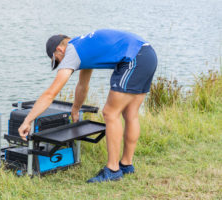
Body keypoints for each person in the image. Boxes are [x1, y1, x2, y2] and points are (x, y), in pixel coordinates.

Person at [18, 29, 157, 183]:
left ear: (60, 49)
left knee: (110, 113)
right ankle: (126, 164)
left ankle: (113, 170)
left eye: (57, 60)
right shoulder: (83, 46)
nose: (60, 64)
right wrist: (75, 109)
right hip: (147, 54)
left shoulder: (71, 53)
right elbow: (83, 85)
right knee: (130, 114)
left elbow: (50, 94)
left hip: (134, 59)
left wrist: (28, 120)